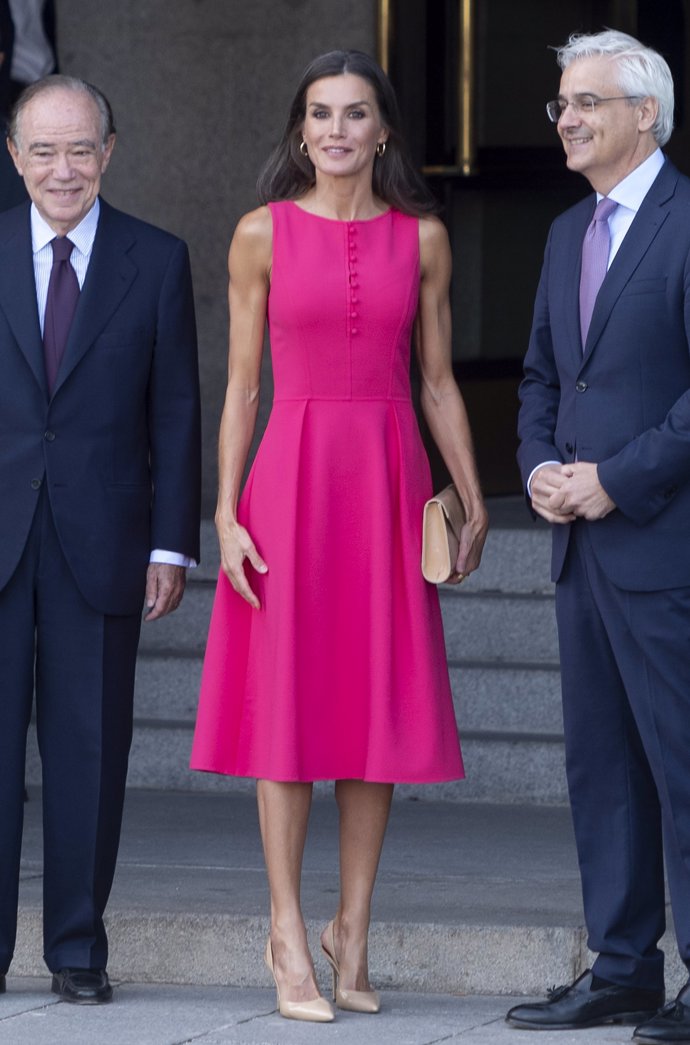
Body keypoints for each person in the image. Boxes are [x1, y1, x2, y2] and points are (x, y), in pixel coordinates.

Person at [191, 49, 487, 1023]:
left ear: (384, 130)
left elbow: (439, 379)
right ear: (300, 129)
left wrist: (471, 495)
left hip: (391, 480)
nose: (335, 131)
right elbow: (239, 387)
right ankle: (285, 926)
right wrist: (227, 514)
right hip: (291, 481)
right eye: (319, 114)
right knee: (288, 714)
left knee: (373, 714)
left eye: (355, 115)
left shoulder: (425, 240)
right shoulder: (258, 235)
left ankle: (350, 928)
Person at [0, 75, 201, 1004]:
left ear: (110, 152)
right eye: (43, 150)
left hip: (105, 538)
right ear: (14, 156)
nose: (63, 168)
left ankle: (78, 949)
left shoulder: (155, 260)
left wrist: (172, 543)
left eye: (81, 149)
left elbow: (176, 412)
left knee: (89, 751)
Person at [506, 29, 690, 1044]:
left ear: (645, 114)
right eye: (559, 104)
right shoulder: (567, 234)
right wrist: (539, 466)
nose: (567, 118)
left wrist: (614, 480)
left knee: (683, 767)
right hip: (579, 552)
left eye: (586, 102)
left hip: (664, 546)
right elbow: (543, 375)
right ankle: (622, 968)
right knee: (603, 771)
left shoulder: (687, 222)